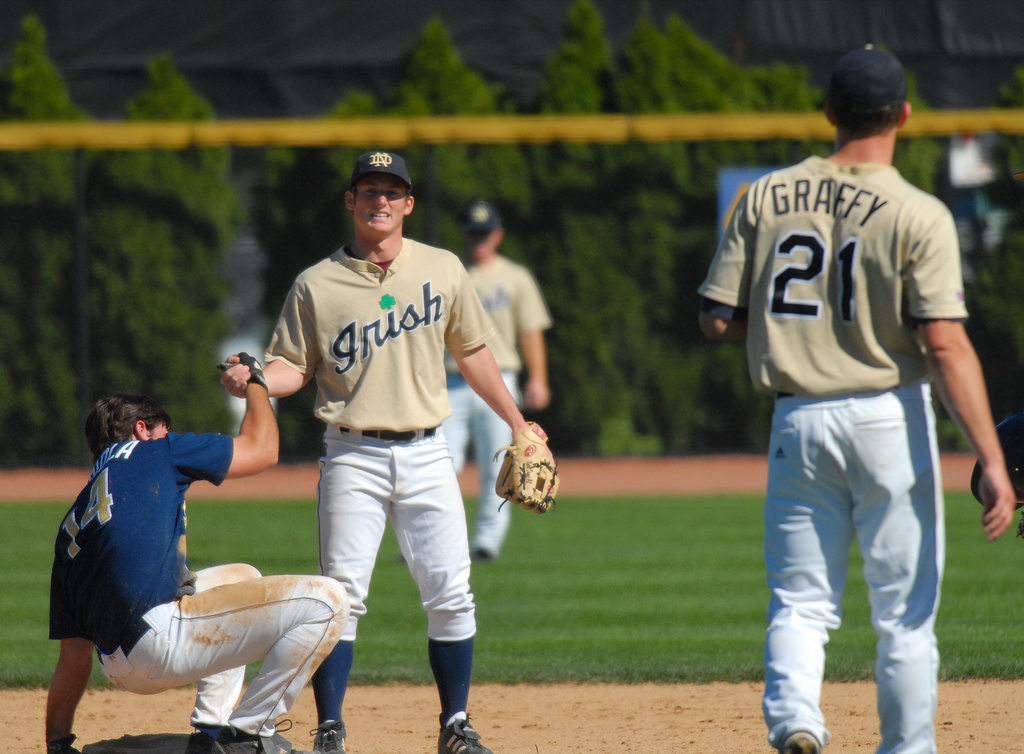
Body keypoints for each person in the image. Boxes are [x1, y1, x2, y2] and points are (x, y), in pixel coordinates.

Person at [697, 45, 1017, 754]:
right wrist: (990, 455)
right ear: (904, 113)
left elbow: (716, 318)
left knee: (801, 602)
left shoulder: (765, 197)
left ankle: (797, 723)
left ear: (828, 112)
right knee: (904, 615)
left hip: (797, 417)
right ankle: (906, 748)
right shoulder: (918, 211)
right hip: (887, 416)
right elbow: (945, 346)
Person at [220, 151, 532, 754]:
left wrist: (518, 423)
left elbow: (473, 352)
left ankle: (455, 725)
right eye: (369, 189)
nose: (380, 200)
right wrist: (255, 376)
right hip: (352, 456)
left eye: (392, 190)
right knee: (340, 597)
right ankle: (330, 727)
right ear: (351, 201)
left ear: (409, 204)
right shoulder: (315, 283)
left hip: (427, 452)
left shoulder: (442, 269)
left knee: (451, 592)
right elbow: (292, 368)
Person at [45, 378, 349, 754]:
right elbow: (262, 450)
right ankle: (249, 734)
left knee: (242, 578)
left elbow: (73, 656)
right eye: (164, 428)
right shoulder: (156, 451)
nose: (169, 434)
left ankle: (210, 733)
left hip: (117, 662)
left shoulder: (74, 519)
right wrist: (257, 384)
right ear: (142, 430)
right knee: (329, 599)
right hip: (160, 641)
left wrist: (57, 743)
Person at [443, 200, 552, 562]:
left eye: (484, 233)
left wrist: (538, 377)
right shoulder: (449, 273)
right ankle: (442, 542)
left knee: (499, 467)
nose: (478, 240)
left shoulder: (515, 276)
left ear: (498, 235)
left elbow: (530, 330)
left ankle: (486, 542)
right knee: (441, 464)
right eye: (473, 233)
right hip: (451, 380)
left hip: (500, 378)